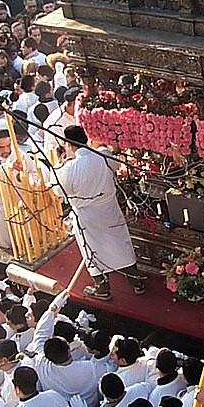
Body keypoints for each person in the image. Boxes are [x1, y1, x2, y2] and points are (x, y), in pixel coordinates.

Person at [53, 124, 144, 299]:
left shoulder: (69, 169)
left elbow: (58, 190)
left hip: (87, 215)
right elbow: (116, 166)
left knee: (93, 250)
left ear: (68, 145)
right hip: (108, 208)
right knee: (120, 244)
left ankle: (103, 288)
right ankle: (136, 281)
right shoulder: (103, 155)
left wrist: (60, 164)